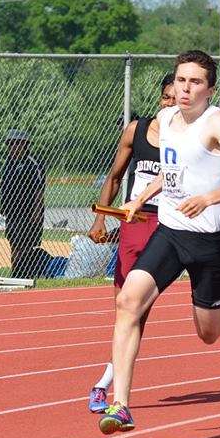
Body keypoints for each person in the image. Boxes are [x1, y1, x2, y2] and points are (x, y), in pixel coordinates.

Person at [97, 51, 220, 434]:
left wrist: (208, 198)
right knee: (128, 300)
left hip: (210, 241)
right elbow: (172, 169)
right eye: (181, 81)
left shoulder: (217, 123)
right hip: (170, 232)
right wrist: (141, 197)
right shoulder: (167, 119)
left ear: (210, 89)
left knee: (207, 333)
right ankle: (121, 405)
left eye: (195, 82)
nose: (185, 89)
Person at [85, 72, 175, 414]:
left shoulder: (188, 137)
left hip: (171, 225)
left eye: (176, 98)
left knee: (139, 309)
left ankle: (106, 387)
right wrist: (100, 219)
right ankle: (109, 386)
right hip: (133, 222)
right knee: (126, 307)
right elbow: (114, 176)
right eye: (166, 97)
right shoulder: (136, 131)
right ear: (160, 98)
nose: (170, 103)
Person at [0, 129, 45, 279]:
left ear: (25, 145)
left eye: (17, 143)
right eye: (10, 144)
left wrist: (37, 212)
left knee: (25, 247)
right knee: (14, 244)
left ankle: (24, 275)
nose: (13, 147)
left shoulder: (32, 163)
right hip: (12, 213)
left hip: (27, 213)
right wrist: (2, 204)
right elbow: (5, 186)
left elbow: (39, 189)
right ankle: (16, 275)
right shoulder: (8, 164)